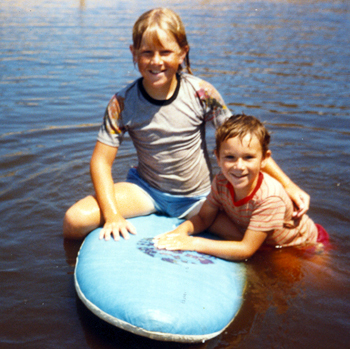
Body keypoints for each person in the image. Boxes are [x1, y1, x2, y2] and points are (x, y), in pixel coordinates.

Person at [63, 8, 310, 241]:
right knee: (75, 221)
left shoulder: (201, 93)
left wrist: (288, 185)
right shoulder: (123, 102)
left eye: (165, 52)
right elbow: (100, 162)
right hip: (146, 192)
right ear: (134, 53)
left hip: (199, 200)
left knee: (256, 240)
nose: (156, 61)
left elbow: (246, 143)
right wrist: (112, 215)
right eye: (147, 52)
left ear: (182, 53)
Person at [154, 114, 329, 261]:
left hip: (301, 244)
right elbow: (203, 218)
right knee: (207, 218)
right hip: (257, 236)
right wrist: (179, 232)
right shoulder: (221, 181)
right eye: (230, 157)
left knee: (288, 280)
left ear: (264, 159)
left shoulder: (269, 197)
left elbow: (246, 250)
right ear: (217, 157)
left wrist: (193, 243)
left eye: (248, 157)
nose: (239, 166)